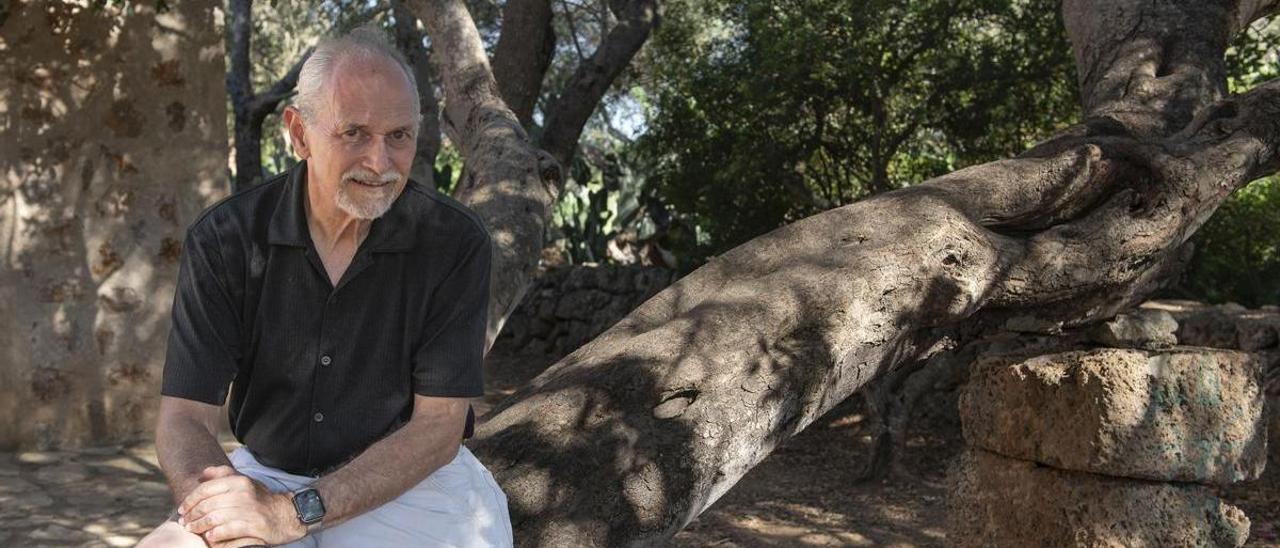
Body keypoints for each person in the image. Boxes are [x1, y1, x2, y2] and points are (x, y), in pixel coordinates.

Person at [136, 25, 512, 548]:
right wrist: (223, 515)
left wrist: (292, 514)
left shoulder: (452, 243)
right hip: (268, 475)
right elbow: (184, 418)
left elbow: (439, 427)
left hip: (411, 488)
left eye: (398, 136)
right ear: (298, 133)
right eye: (354, 132)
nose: (379, 163)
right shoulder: (226, 238)